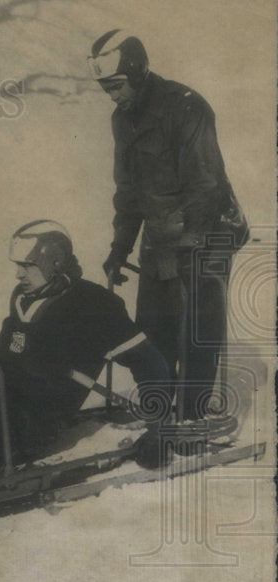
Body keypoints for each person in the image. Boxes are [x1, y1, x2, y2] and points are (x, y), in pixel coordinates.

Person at [0, 220, 171, 486]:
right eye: (18, 266)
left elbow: (151, 363)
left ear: (54, 263)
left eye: (27, 266)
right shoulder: (25, 296)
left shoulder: (94, 303)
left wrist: (158, 430)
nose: (18, 275)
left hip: (28, 425)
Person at [88, 29, 249, 421]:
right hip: (162, 232)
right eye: (106, 89)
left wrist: (191, 243)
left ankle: (192, 413)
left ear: (138, 72)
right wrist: (119, 247)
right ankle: (158, 404)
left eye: (117, 86)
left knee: (196, 325)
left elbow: (205, 182)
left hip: (209, 227)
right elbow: (128, 191)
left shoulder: (186, 107)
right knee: (153, 324)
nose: (113, 96)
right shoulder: (121, 120)